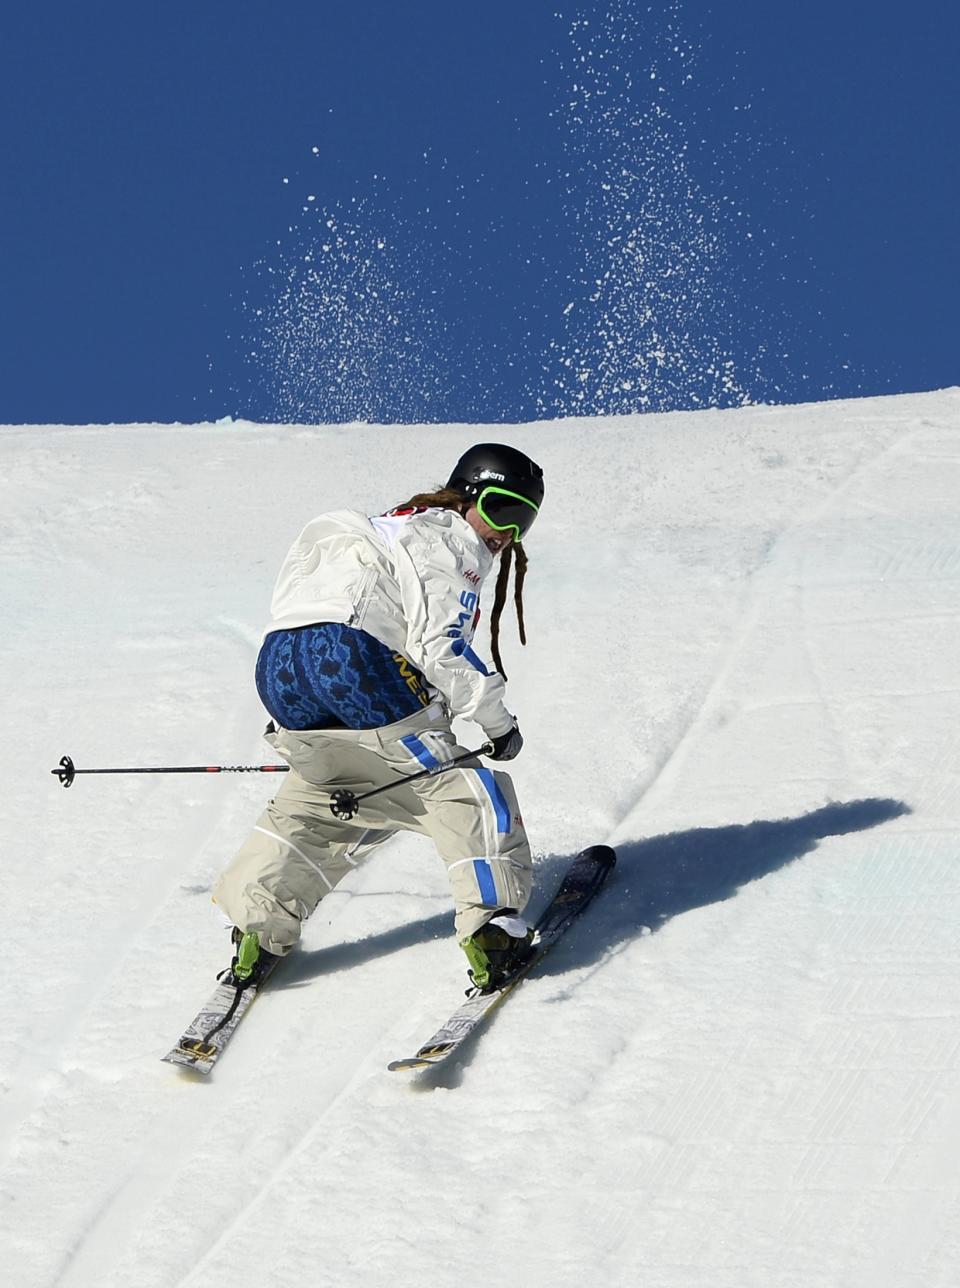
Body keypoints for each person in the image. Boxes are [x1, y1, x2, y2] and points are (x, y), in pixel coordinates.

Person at [212, 443, 544, 994]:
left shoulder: (385, 530)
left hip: (278, 669)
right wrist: (497, 723)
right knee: (461, 789)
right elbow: (442, 648)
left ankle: (256, 926)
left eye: (523, 522)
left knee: (323, 797)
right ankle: (493, 930)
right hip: (352, 660)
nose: (506, 534)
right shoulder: (448, 540)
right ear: (466, 497)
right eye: (502, 510)